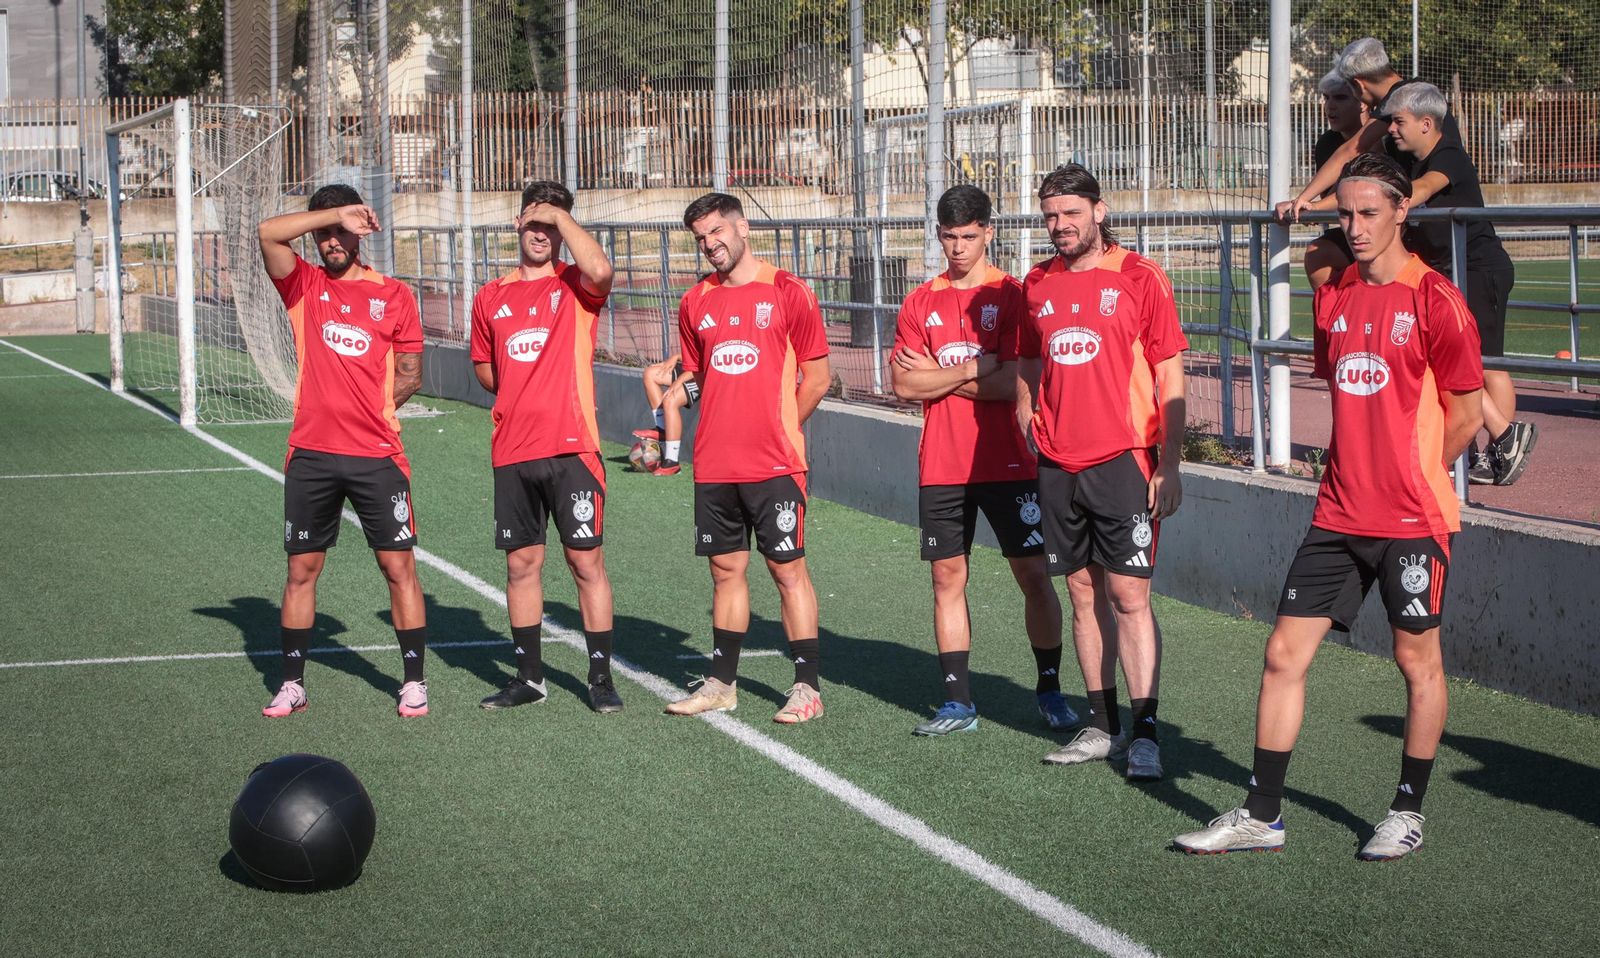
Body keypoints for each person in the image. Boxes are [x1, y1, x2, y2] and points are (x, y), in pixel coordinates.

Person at [1174, 153, 1484, 859]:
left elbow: (1466, 413)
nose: (1355, 226)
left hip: (1414, 521)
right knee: (1283, 652)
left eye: (1369, 212)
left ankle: (1406, 811)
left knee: (1417, 662)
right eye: (1345, 214)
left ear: (1402, 211)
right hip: (1337, 516)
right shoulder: (1336, 297)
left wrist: (1415, 476)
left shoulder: (1437, 299)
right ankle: (1262, 815)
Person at [1016, 164, 1188, 780]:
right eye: (1051, 215)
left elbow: (1171, 375)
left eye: (1070, 213)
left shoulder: (1141, 278)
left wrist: (1169, 462)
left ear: (1100, 210)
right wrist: (1025, 407)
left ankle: (1145, 732)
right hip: (1058, 465)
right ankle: (1102, 724)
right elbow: (1029, 357)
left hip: (1124, 460)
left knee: (1129, 596)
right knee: (1082, 593)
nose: (1060, 225)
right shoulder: (1036, 282)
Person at [889, 184, 1074, 737]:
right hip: (942, 466)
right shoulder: (921, 300)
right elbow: (902, 382)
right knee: (947, 578)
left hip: (1010, 463)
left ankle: (1049, 689)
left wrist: (941, 377)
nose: (959, 247)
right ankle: (958, 702)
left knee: (1035, 577)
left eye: (969, 236)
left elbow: (1014, 383)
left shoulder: (1014, 296)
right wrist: (974, 369)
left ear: (989, 232)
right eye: (949, 237)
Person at [256, 184, 430, 718]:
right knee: (301, 570)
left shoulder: (394, 294)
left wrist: (376, 409)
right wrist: (330, 214)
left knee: (397, 567)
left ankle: (414, 682)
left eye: (341, 231)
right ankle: (292, 684)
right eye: (323, 231)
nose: (331, 240)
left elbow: (410, 373)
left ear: (360, 233)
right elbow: (267, 233)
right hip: (311, 454)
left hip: (377, 455)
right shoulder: (303, 285)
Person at [663, 192, 832, 724]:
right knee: (725, 571)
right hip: (714, 463)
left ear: (743, 229)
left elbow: (819, 376)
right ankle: (722, 684)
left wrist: (780, 427)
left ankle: (807, 688)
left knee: (788, 571)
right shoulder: (695, 302)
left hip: (775, 463)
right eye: (700, 239)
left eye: (717, 233)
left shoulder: (788, 291)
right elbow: (703, 377)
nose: (710, 245)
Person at [469, 180, 624, 714]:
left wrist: (560, 217)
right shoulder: (491, 296)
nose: (542, 233)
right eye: (533, 222)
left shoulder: (576, 285)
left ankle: (600, 678)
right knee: (521, 565)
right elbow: (487, 370)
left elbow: (602, 270)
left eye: (551, 224)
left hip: (572, 448)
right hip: (513, 450)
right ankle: (529, 677)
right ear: (517, 224)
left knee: (587, 562)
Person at [1384, 81, 1534, 485]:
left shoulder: (1447, 154)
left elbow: (1427, 188)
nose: (1391, 129)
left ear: (1427, 123)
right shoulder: (1406, 159)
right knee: (1444, 360)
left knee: (1486, 365)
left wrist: (1385, 202)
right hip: (1448, 276)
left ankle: (1502, 443)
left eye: (1398, 122)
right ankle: (1491, 441)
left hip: (1480, 269)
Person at [1276, 37, 1463, 227]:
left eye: (1399, 122)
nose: (1392, 128)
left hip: (1450, 231)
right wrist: (1313, 204)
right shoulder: (1405, 102)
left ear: (1358, 85)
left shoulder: (1404, 98)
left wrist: (1303, 200)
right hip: (1422, 227)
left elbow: (1352, 149)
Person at [1302, 69, 1370, 290]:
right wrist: (1307, 204)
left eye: (1340, 97)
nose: (1330, 105)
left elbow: (1354, 192)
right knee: (1318, 253)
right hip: (1352, 232)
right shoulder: (1326, 143)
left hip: (1389, 232)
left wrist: (1314, 206)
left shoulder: (1383, 137)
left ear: (1363, 102)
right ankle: (1336, 321)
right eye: (1326, 98)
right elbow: (1334, 197)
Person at [633, 353, 700, 476]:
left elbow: (706, 362)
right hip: (693, 368)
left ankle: (672, 462)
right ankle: (662, 429)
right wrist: (676, 357)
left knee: (670, 400)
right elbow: (694, 353)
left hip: (706, 374)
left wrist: (678, 381)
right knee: (650, 373)